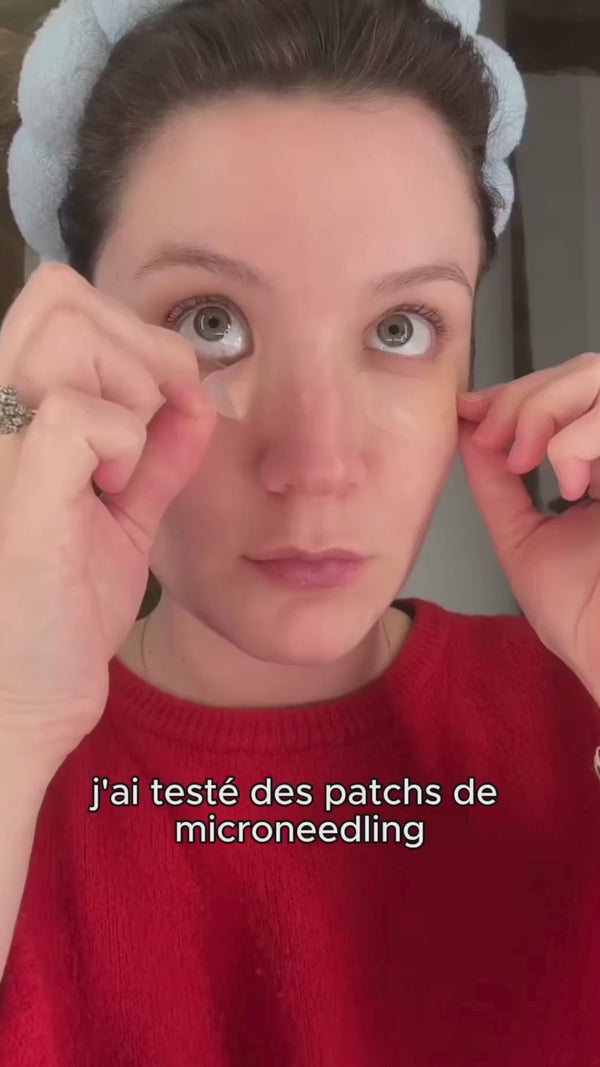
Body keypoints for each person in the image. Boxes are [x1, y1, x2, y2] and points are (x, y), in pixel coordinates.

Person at [0, 0, 599, 1063]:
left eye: (400, 328)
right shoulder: (18, 751)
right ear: (80, 340)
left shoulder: (576, 708)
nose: (317, 463)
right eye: (211, 322)